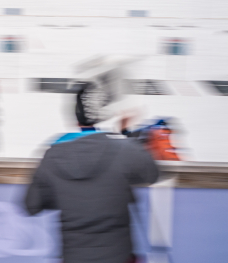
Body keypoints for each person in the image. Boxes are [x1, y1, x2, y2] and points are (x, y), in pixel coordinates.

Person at [24, 82, 160, 263]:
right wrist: (126, 134)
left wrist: (65, 193)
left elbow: (31, 205)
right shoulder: (123, 149)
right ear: (100, 116)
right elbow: (152, 173)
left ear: (75, 118)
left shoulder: (52, 155)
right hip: (118, 257)